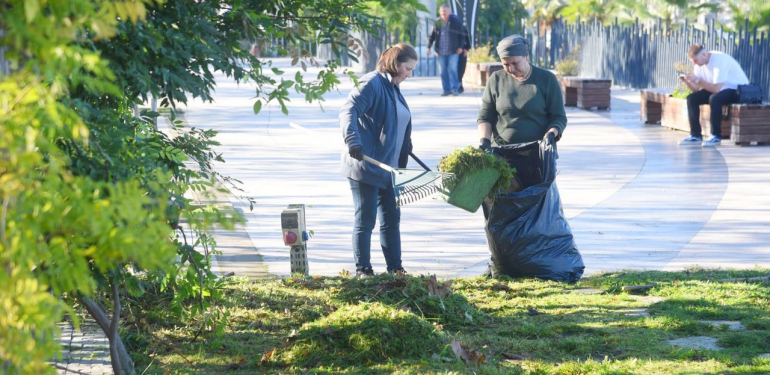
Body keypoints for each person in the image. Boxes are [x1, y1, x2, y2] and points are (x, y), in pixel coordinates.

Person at [339, 43, 418, 278]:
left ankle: (396, 269)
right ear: (395, 64)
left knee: (392, 220)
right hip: (365, 164)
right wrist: (352, 140)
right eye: (407, 68)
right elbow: (348, 110)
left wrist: (405, 143)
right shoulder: (372, 83)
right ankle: (363, 270)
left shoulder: (393, 88)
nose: (409, 74)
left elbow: (395, 119)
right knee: (366, 220)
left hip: (389, 168)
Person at [477, 34, 566, 150]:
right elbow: (485, 115)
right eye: (506, 65)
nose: (511, 69)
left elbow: (559, 117)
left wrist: (551, 134)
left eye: (515, 63)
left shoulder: (547, 79)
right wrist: (485, 140)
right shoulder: (496, 79)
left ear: (527, 57)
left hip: (538, 151)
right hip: (502, 151)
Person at [678, 44, 749, 147]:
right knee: (691, 99)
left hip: (737, 90)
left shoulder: (719, 60)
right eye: (692, 61)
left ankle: (715, 135)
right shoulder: (699, 65)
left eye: (695, 60)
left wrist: (697, 79)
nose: (694, 63)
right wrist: (687, 81)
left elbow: (715, 89)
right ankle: (695, 135)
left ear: (704, 54)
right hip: (721, 89)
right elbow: (696, 89)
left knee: (714, 99)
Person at [427, 4, 465, 96]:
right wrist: (428, 47)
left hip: (453, 51)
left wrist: (460, 47)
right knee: (443, 71)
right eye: (442, 11)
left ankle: (455, 89)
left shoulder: (456, 22)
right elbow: (431, 36)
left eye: (445, 11)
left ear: (449, 12)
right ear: (440, 12)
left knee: (453, 70)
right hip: (440, 51)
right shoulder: (437, 22)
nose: (443, 13)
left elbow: (462, 36)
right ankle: (446, 90)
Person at [457, 23, 471, 94]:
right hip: (451, 52)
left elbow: (467, 39)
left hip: (462, 51)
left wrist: (466, 48)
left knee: (461, 69)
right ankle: (456, 86)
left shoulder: (462, 28)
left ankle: (459, 85)